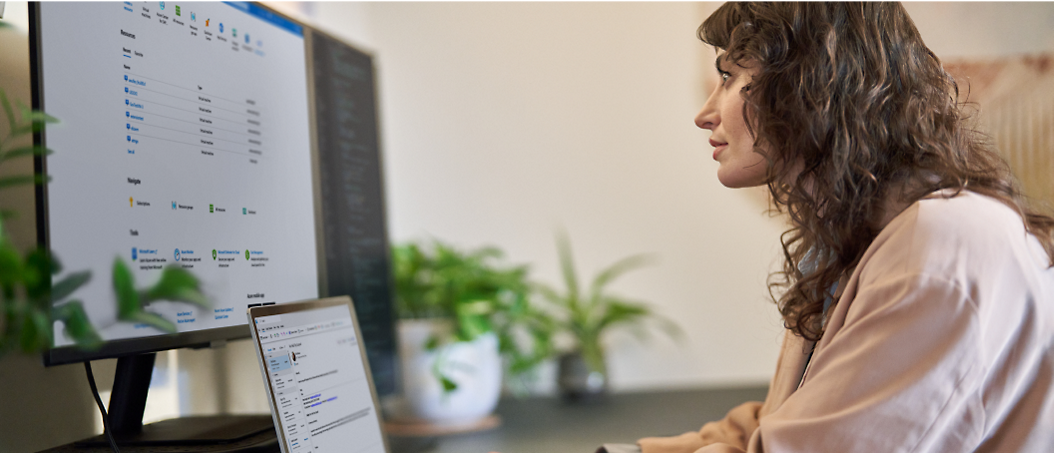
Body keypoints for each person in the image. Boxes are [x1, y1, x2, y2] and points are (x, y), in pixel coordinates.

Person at [636, 2, 1054, 452]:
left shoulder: (940, 245)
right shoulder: (861, 235)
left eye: (729, 77)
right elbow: (792, 419)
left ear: (809, 84)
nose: (705, 113)